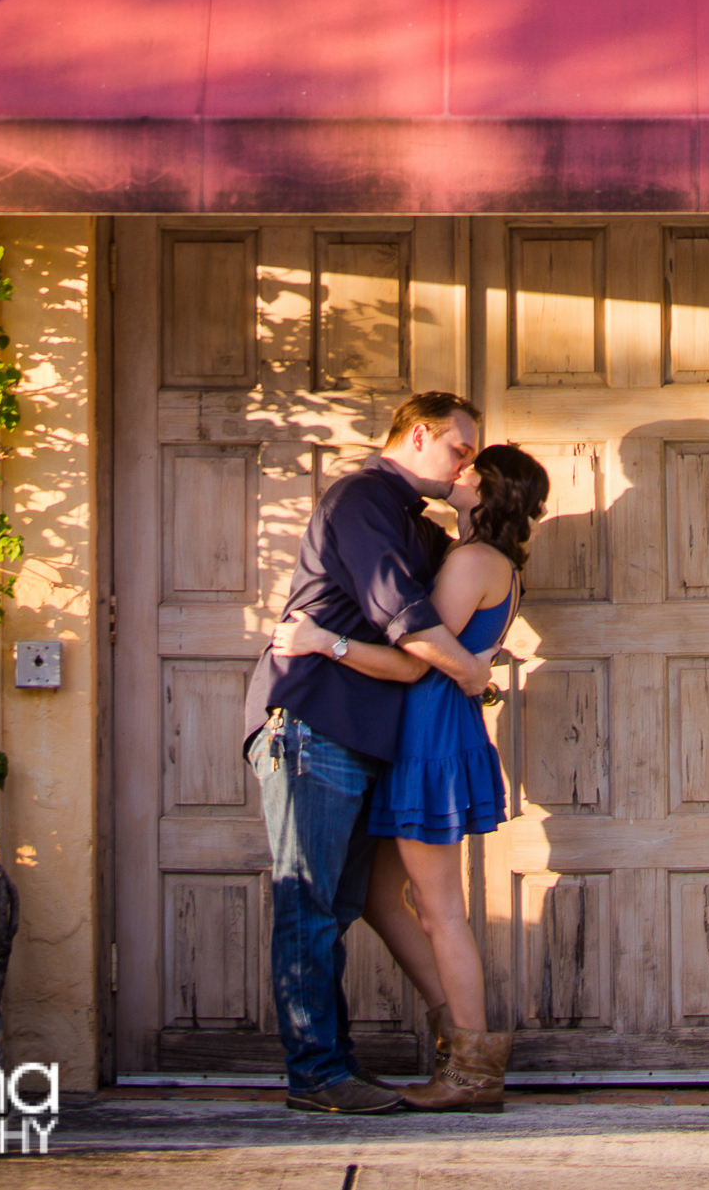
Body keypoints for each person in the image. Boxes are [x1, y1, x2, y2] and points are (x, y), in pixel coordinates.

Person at [277, 444, 549, 1115]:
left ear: (485, 485)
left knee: (440, 909)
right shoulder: (483, 559)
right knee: (375, 892)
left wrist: (326, 641)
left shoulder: (471, 561)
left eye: (466, 467)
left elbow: (415, 655)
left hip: (429, 735)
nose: (453, 473)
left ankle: (472, 1068)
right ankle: (455, 1033)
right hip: (425, 732)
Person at [251, 391, 498, 1115]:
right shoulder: (361, 499)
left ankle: (351, 1062)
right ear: (417, 433)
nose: (466, 464)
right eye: (460, 449)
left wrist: (472, 505)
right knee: (311, 903)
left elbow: (468, 577)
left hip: (359, 736)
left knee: (341, 901)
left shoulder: (412, 524)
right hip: (313, 723)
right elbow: (408, 623)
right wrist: (471, 671)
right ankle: (319, 1075)